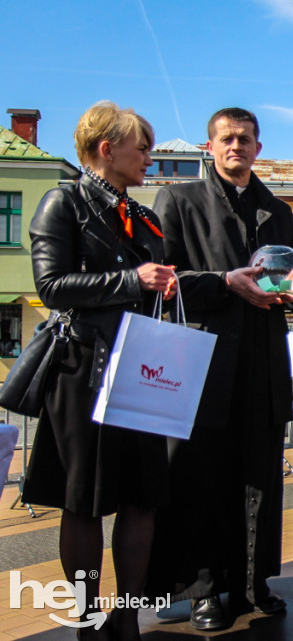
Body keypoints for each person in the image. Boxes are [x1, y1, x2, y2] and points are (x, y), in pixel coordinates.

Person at [24, 101, 177, 639]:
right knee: (83, 501)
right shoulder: (60, 203)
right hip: (82, 369)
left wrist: (222, 280)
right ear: (107, 149)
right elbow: (52, 288)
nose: (149, 158)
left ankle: (127, 617)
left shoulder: (145, 216)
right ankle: (90, 620)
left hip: (139, 367)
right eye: (142, 148)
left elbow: (165, 280)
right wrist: (135, 281)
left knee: (141, 499)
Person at [148, 108, 293, 631]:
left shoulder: (276, 210)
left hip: (262, 359)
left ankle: (254, 581)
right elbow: (164, 281)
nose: (236, 146)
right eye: (226, 139)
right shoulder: (180, 200)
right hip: (202, 360)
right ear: (210, 146)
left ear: (259, 147)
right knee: (201, 478)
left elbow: (284, 278)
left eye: (245, 139)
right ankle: (204, 589)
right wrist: (223, 282)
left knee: (260, 475)